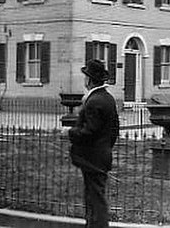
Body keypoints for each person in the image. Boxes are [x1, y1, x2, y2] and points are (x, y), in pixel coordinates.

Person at [68, 59, 120, 228]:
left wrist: (69, 133)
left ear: (89, 80)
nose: (84, 81)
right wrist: (105, 147)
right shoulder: (108, 99)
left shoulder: (94, 101)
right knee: (93, 198)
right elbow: (113, 131)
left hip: (92, 159)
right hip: (101, 156)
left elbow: (89, 132)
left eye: (85, 77)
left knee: (95, 201)